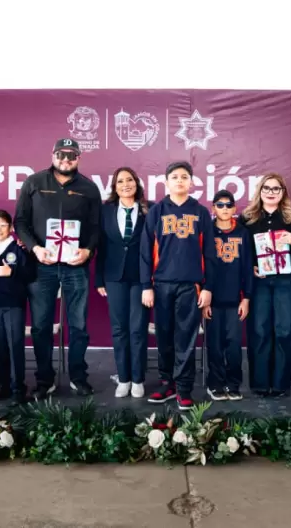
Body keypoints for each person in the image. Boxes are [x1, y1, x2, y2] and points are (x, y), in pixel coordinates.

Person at [14, 138, 102, 400]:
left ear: (79, 158)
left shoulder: (89, 187)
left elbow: (96, 227)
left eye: (71, 155)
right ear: (52, 155)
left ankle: (78, 377)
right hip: (43, 265)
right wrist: (35, 249)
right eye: (61, 155)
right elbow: (20, 221)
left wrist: (88, 250)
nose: (65, 160)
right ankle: (44, 380)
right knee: (41, 326)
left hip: (76, 266)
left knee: (78, 326)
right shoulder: (34, 182)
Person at [140, 161, 217, 410]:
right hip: (161, 284)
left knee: (185, 338)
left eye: (184, 177)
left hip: (190, 285)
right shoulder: (156, 211)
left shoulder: (201, 212)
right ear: (166, 182)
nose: (180, 180)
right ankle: (167, 384)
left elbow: (210, 253)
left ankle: (184, 388)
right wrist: (146, 285)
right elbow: (145, 252)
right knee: (164, 337)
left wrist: (208, 287)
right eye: (174, 177)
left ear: (191, 182)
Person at [243, 173, 291, 397]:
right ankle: (260, 384)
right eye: (267, 188)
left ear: (283, 192)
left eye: (276, 188)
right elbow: (240, 250)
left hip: (287, 280)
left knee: (285, 331)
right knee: (259, 330)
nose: (271, 192)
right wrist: (250, 267)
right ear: (260, 191)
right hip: (259, 281)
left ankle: (281, 384)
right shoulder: (247, 219)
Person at [95, 167, 153, 399]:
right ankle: (124, 378)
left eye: (130, 180)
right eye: (120, 181)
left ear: (136, 184)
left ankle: (138, 379)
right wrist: (99, 278)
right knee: (119, 330)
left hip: (141, 277)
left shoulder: (150, 209)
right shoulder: (106, 210)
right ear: (114, 186)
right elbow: (101, 245)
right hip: (114, 277)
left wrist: (150, 280)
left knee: (137, 329)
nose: (125, 184)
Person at [203, 190, 253, 401]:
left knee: (233, 346)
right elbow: (201, 266)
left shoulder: (243, 233)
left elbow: (248, 268)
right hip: (212, 300)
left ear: (234, 208)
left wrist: (246, 299)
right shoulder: (206, 231)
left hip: (235, 300)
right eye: (220, 205)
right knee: (214, 346)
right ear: (213, 208)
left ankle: (233, 384)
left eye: (228, 205)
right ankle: (215, 384)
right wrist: (204, 300)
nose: (224, 208)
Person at [0, 210, 34, 404]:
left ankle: (18, 389)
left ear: (11, 227)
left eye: (2, 225)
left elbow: (31, 273)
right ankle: (3, 386)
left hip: (15, 304)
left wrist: (12, 272)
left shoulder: (18, 248)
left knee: (15, 346)